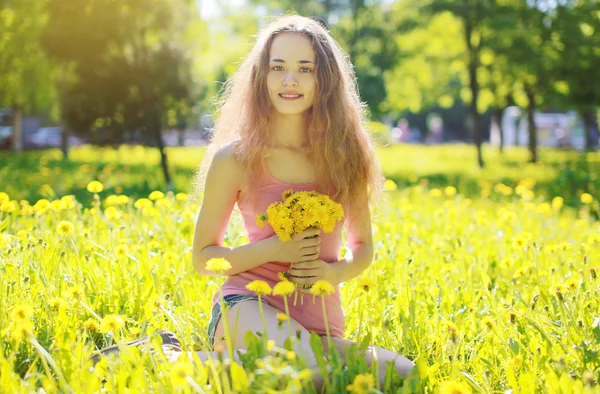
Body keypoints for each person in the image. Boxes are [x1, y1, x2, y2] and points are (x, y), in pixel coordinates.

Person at [94, 14, 415, 389]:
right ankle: (176, 360)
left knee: (402, 375)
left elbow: (362, 249)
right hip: (248, 306)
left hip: (319, 325)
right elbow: (203, 258)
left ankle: (165, 358)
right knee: (307, 375)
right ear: (262, 77)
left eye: (304, 69)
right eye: (277, 67)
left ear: (324, 79)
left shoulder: (347, 157)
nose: (289, 79)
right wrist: (276, 248)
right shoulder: (235, 158)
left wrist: (332, 273)